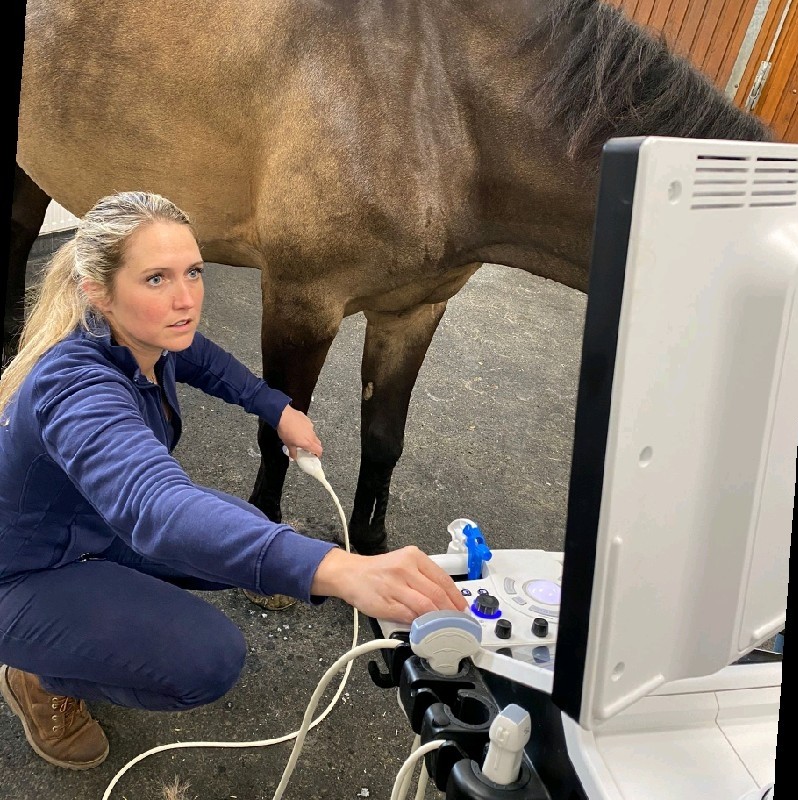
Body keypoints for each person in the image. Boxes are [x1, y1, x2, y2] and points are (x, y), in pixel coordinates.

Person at [0, 190, 467, 771]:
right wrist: (342, 568)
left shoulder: (143, 335)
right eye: (155, 279)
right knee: (208, 660)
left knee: (252, 534)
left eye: (192, 272)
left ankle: (90, 612)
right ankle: (40, 675)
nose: (185, 300)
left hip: (95, 527)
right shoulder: (74, 388)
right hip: (24, 573)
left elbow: (200, 356)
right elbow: (158, 507)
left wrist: (276, 408)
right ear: (98, 291)